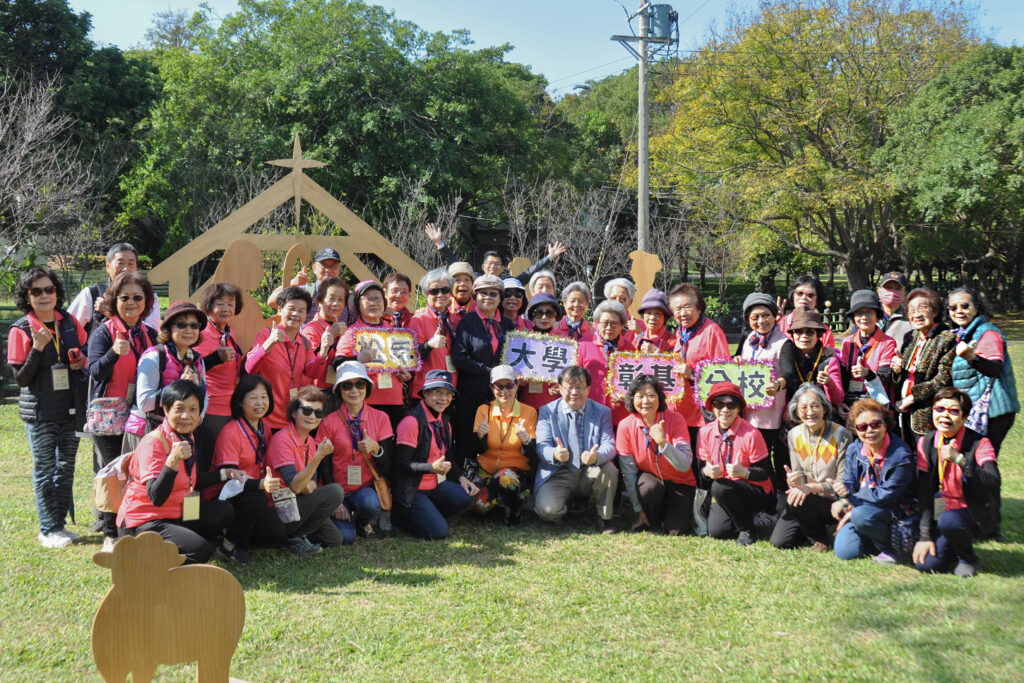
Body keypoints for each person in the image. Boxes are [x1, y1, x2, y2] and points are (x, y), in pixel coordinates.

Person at [8, 267, 88, 548]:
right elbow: (21, 379)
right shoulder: (21, 329)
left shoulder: (69, 322)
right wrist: (37, 348)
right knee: (45, 469)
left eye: (49, 289)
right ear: (27, 297)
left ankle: (59, 526)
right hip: (40, 412)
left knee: (65, 469)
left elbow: (84, 353)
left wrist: (80, 361)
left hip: (69, 408)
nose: (44, 296)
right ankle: (48, 529)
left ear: (57, 292)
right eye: (36, 291)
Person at [116, 380, 235, 565]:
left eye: (193, 409)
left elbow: (191, 480)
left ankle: (177, 546)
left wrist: (225, 474)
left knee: (223, 511)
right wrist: (172, 460)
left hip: (177, 512)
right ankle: (146, 562)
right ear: (166, 409)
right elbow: (156, 497)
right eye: (179, 409)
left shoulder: (188, 436)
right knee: (200, 549)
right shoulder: (154, 443)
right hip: (145, 521)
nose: (186, 416)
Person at [87, 271, 158, 549]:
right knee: (114, 473)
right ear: (114, 301)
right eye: (124, 297)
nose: (131, 303)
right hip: (110, 416)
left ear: (146, 302)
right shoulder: (104, 333)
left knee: (138, 472)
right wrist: (114, 353)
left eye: (137, 298)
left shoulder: (151, 334)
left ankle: (133, 528)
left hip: (142, 415)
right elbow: (95, 371)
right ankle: (110, 533)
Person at [913, 388, 1001, 577]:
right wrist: (925, 536)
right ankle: (952, 545)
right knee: (926, 565)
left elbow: (993, 480)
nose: (944, 415)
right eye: (939, 409)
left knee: (949, 520)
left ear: (965, 417)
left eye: (953, 411)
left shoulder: (979, 443)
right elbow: (924, 491)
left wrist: (960, 460)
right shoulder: (926, 442)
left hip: (972, 510)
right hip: (940, 509)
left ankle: (967, 558)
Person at [209, 374, 288, 564]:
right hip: (227, 495)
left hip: (256, 493)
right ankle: (229, 544)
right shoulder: (231, 431)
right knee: (255, 498)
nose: (260, 402)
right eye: (253, 397)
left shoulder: (264, 428)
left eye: (264, 397)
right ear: (240, 402)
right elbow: (230, 479)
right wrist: (260, 485)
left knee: (276, 532)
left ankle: (236, 531)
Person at [391, 370, 479, 539]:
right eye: (437, 392)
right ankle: (402, 515)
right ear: (425, 393)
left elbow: (449, 457)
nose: (443, 398)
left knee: (466, 496)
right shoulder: (411, 422)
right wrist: (431, 468)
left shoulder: (444, 421)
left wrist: (462, 478)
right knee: (439, 533)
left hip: (436, 485)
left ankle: (429, 514)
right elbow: (401, 464)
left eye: (448, 394)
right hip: (413, 490)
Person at [535, 366, 618, 533]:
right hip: (559, 472)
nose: (574, 392)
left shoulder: (602, 412)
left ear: (588, 389)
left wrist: (596, 456)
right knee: (548, 511)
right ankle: (566, 507)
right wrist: (555, 454)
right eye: (569, 387)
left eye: (579, 387)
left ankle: (604, 517)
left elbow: (610, 445)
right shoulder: (547, 411)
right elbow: (541, 446)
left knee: (609, 470)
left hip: (589, 470)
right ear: (560, 389)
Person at [317, 362, 395, 542]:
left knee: (370, 503)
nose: (354, 390)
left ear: (367, 388)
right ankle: (345, 519)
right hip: (338, 490)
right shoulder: (329, 421)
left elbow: (387, 464)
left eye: (360, 384)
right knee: (346, 538)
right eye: (347, 385)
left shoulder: (381, 418)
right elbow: (324, 465)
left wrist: (376, 448)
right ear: (339, 390)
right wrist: (334, 500)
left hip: (365, 490)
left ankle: (362, 522)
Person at [831, 398, 914, 564]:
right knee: (845, 552)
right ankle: (875, 538)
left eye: (876, 424)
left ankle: (891, 549)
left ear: (885, 425)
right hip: (864, 508)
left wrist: (848, 500)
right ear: (855, 430)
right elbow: (849, 483)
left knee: (861, 516)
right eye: (862, 427)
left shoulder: (901, 455)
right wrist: (841, 492)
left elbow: (887, 495)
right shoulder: (855, 449)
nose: (869, 430)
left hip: (894, 510)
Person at [769, 384, 851, 551]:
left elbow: (843, 482)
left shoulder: (841, 434)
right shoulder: (794, 434)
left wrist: (812, 487)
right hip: (808, 498)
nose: (810, 412)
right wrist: (795, 480)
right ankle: (811, 527)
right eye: (804, 408)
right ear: (797, 412)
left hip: (836, 500)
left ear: (824, 408)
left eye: (815, 406)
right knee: (780, 541)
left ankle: (819, 539)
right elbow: (799, 473)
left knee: (803, 496)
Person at [266, 386, 346, 555]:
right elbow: (295, 486)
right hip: (281, 507)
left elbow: (312, 483)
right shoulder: (282, 439)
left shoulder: (309, 440)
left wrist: (306, 484)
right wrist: (319, 456)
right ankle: (292, 537)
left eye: (318, 413)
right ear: (294, 413)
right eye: (307, 411)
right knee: (335, 491)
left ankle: (294, 535)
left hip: (301, 501)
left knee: (335, 538)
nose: (312, 417)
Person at [123, 301, 209, 452]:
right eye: (181, 325)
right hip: (146, 432)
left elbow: (204, 396)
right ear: (169, 328)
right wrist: (178, 386)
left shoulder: (197, 360)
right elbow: (144, 403)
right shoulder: (154, 356)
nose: (189, 330)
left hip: (177, 432)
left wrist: (196, 419)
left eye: (194, 325)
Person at [616, 374, 695, 535]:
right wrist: (639, 511)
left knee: (676, 531)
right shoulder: (625, 426)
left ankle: (668, 514)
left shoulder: (676, 420)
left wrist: (662, 443)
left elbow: (684, 465)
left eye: (651, 395)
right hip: (652, 481)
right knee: (648, 488)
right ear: (632, 399)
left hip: (679, 482)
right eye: (640, 396)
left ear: (660, 397)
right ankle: (649, 516)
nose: (646, 401)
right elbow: (629, 473)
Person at [697, 382, 775, 546]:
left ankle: (746, 529)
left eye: (731, 405)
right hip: (725, 491)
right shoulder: (705, 432)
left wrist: (744, 472)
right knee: (718, 532)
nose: (725, 410)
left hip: (754, 490)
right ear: (712, 407)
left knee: (719, 487)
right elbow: (702, 473)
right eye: (719, 404)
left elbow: (764, 473)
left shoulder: (751, 433)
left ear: (739, 408)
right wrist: (707, 472)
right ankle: (748, 516)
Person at [947, 287, 1018, 454]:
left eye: (965, 306)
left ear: (977, 307)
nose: (959, 311)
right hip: (975, 410)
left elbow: (995, 368)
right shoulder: (963, 334)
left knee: (981, 459)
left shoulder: (987, 332)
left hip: (992, 412)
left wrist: (972, 358)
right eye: (953, 308)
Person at [245, 287, 327, 432]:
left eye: (301, 311)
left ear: (306, 314)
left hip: (291, 419)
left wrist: (324, 350)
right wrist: (270, 343)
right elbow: (250, 368)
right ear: (280, 309)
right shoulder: (266, 335)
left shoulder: (304, 343)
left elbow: (313, 373)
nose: (296, 314)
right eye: (291, 309)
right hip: (264, 418)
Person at [452, 275, 516, 461]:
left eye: (493, 294)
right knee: (467, 435)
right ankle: (464, 472)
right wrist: (489, 372)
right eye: (482, 293)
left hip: (500, 392)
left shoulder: (507, 324)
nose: (487, 297)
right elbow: (459, 357)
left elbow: (513, 356)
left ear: (500, 298)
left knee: (497, 434)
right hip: (470, 391)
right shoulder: (468, 321)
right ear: (475, 296)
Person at [334, 280, 412, 427]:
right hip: (366, 402)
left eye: (377, 298)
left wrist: (406, 376)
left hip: (395, 401)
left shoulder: (393, 330)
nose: (373, 303)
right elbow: (337, 363)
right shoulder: (352, 332)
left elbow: (403, 364)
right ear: (358, 304)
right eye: (368, 299)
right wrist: (358, 359)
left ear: (384, 302)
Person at [471, 365, 537, 525]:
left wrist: (527, 441)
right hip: (487, 468)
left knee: (506, 481)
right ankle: (499, 497)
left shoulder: (529, 412)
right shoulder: (483, 410)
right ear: (491, 388)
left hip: (514, 471)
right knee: (481, 507)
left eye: (509, 385)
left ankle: (513, 511)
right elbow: (476, 449)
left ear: (516, 385)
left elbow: (533, 453)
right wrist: (480, 436)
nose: (504, 391)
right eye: (499, 386)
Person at [889, 287, 956, 446]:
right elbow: (905, 375)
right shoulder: (912, 337)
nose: (917, 314)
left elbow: (943, 380)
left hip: (930, 414)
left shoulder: (947, 338)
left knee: (928, 456)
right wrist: (897, 371)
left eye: (922, 308)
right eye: (912, 310)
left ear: (935, 311)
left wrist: (911, 398)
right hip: (905, 412)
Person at [736, 292, 789, 493]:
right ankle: (757, 493)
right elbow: (737, 358)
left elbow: (789, 372)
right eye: (755, 317)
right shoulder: (748, 338)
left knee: (766, 456)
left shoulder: (783, 342)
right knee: (751, 454)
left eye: (766, 315)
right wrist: (736, 359)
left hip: (770, 412)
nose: (761, 321)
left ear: (775, 316)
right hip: (748, 409)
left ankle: (772, 494)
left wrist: (778, 384)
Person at [668, 283, 729, 445]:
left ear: (699, 308)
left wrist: (693, 374)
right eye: (677, 309)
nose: (682, 313)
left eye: (687, 307)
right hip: (680, 412)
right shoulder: (681, 331)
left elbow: (724, 373)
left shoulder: (712, 331)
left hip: (702, 414)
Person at [195, 283, 246, 475]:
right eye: (220, 304)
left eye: (230, 304)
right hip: (211, 409)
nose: (226, 309)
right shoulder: (202, 334)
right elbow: (193, 367)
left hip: (229, 407)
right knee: (207, 462)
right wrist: (216, 357)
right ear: (208, 305)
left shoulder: (227, 331)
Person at [67, 242, 161, 333]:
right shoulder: (91, 294)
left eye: (131, 264)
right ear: (108, 266)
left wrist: (110, 313)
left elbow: (152, 333)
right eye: (120, 263)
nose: (125, 269)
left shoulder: (149, 296)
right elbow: (69, 329)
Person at [424, 222, 567, 281]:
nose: (492, 266)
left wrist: (549, 257)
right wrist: (439, 243)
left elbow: (528, 273)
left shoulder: (507, 284)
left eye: (497, 264)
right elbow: (456, 265)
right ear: (483, 266)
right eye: (489, 263)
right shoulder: (475, 279)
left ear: (503, 268)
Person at [838, 290, 897, 417]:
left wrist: (867, 373)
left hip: (877, 405)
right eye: (859, 313)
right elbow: (842, 377)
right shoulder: (848, 342)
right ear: (854, 317)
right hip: (851, 404)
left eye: (869, 312)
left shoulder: (887, 343)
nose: (864, 317)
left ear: (877, 316)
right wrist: (840, 402)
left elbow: (884, 378)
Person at [777, 307, 844, 411]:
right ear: (792, 334)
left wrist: (829, 382)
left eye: (809, 332)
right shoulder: (786, 356)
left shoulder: (828, 359)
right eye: (798, 331)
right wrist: (787, 409)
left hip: (820, 414)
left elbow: (838, 399)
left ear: (818, 335)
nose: (804, 336)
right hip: (790, 413)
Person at [576, 299, 631, 425]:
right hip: (589, 412)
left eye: (614, 323)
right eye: (605, 323)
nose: (609, 328)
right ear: (597, 323)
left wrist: (625, 395)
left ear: (622, 325)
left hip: (619, 415)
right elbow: (575, 376)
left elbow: (635, 382)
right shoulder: (584, 344)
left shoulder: (629, 349)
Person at [409, 268, 461, 399]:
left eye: (445, 290)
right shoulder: (418, 319)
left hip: (450, 389)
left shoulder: (455, 320)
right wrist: (429, 345)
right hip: (426, 390)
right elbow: (410, 357)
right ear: (426, 294)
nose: (440, 294)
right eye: (434, 291)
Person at [267, 247, 350, 325]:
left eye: (333, 266)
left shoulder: (348, 296)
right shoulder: (304, 291)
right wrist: (292, 283)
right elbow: (272, 303)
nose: (328, 270)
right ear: (314, 268)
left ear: (339, 269)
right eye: (324, 265)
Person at [300, 276, 349, 390]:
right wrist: (330, 337)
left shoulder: (343, 329)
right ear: (319, 300)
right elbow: (311, 370)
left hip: (339, 389)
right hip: (318, 392)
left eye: (340, 300)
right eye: (331, 298)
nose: (336, 303)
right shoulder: (310, 330)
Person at [519, 292, 563, 412]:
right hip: (526, 404)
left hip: (554, 404)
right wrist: (518, 382)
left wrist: (563, 385)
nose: (544, 318)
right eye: (539, 313)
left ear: (555, 316)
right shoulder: (521, 338)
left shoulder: (565, 342)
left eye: (549, 313)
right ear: (532, 316)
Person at [776, 275, 836, 348]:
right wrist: (771, 324)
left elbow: (830, 354)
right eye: (800, 293)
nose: (804, 298)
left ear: (817, 300)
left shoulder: (825, 332)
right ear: (793, 296)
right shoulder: (778, 325)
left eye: (810, 295)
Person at [877, 271, 912, 345]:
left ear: (905, 293)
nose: (892, 293)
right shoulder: (869, 314)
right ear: (879, 291)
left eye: (898, 288)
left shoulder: (911, 318)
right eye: (888, 288)